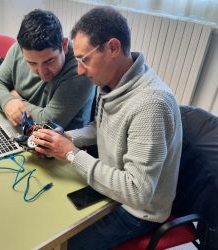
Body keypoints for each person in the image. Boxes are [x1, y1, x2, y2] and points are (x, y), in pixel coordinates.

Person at [32, 6, 183, 250]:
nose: (79, 70)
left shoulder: (150, 104)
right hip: (110, 189)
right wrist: (68, 137)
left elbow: (137, 192)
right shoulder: (110, 81)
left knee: (59, 244)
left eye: (84, 59)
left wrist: (71, 153)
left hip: (136, 210)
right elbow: (99, 127)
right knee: (43, 216)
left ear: (112, 48)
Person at [0, 9, 95, 130]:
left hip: (60, 142)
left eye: (49, 61)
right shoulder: (20, 48)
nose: (42, 71)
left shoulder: (80, 68)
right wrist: (8, 102)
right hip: (22, 130)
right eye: (32, 63)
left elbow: (48, 123)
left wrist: (15, 98)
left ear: (64, 46)